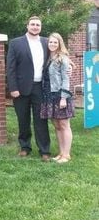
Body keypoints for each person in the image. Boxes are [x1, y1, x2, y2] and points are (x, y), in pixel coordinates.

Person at [6, 16, 51, 161]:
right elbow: (10, 67)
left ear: (41, 27)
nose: (35, 27)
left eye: (38, 25)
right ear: (27, 26)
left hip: (40, 87)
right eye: (33, 24)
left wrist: (69, 66)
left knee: (41, 120)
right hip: (20, 88)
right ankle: (25, 147)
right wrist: (12, 87)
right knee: (23, 119)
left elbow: (58, 56)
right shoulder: (16, 43)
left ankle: (44, 150)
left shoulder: (46, 42)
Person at [40, 33, 75, 163]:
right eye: (51, 42)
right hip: (48, 95)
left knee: (64, 124)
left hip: (60, 95)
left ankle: (66, 155)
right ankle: (61, 153)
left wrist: (64, 98)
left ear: (60, 44)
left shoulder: (63, 59)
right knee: (56, 125)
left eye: (55, 42)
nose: (53, 44)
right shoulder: (49, 58)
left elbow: (66, 79)